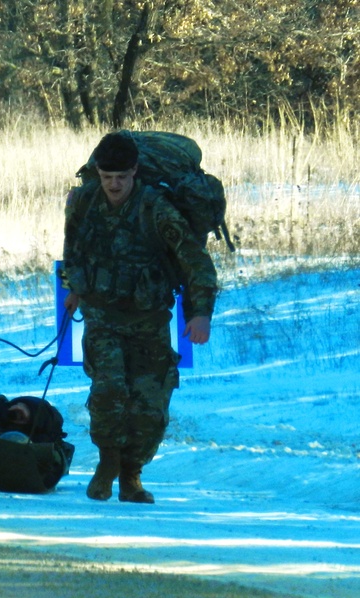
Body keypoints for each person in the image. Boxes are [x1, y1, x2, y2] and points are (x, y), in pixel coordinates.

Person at [61, 132, 218, 504]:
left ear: (134, 171)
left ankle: (131, 475)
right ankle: (107, 463)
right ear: (97, 172)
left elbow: (194, 261)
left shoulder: (156, 208)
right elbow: (73, 248)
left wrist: (201, 314)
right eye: (107, 177)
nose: (114, 185)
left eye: (122, 177)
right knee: (108, 392)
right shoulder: (84, 201)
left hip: (149, 319)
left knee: (151, 404)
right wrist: (75, 287)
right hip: (101, 314)